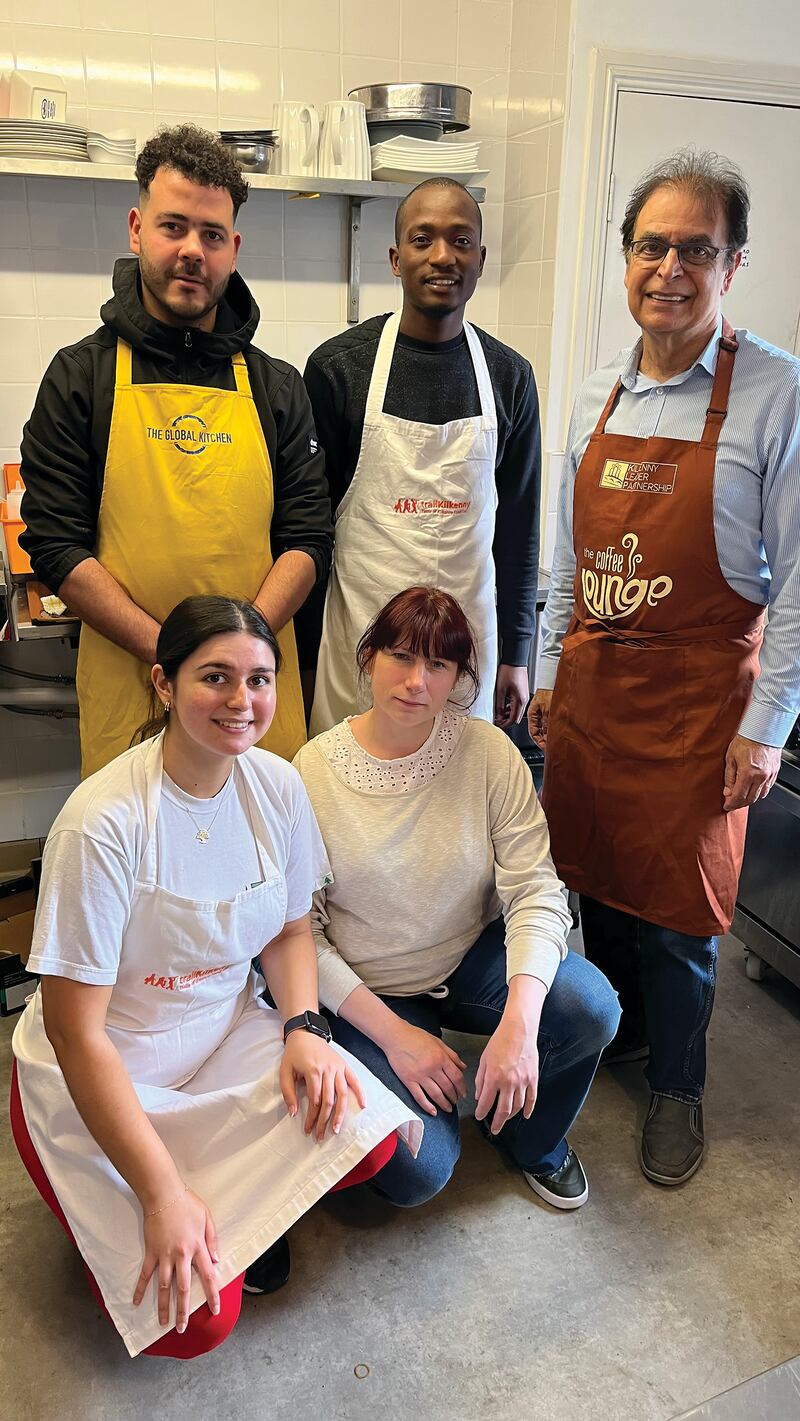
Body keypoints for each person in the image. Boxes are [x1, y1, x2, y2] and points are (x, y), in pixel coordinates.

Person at [11, 595, 420, 1359]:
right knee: (196, 1324)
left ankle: (226, 1208)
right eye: (216, 676)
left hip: (223, 1031)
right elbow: (75, 1033)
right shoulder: (102, 823)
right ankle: (138, 1200)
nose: (242, 700)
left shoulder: (277, 787)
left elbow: (291, 932)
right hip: (110, 1065)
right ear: (163, 683)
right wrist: (161, 1193)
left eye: (259, 679)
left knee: (362, 1132)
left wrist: (303, 1028)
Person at [528, 149, 800, 1187]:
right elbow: (567, 555)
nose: (669, 269)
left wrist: (765, 728)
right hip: (595, 686)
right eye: (652, 246)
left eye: (695, 249)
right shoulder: (596, 391)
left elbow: (796, 584)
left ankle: (678, 1084)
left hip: (699, 703)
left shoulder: (776, 393)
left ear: (732, 264)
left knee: (682, 916)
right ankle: (626, 1035)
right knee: (595, 879)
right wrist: (549, 669)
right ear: (626, 258)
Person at [294, 586, 620, 1211]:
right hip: (370, 987)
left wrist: (520, 1025)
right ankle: (370, 1085)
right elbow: (299, 934)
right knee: (419, 1172)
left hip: (468, 958)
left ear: (459, 676)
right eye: (400, 656)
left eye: (438, 664)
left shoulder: (488, 753)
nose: (416, 681)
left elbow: (536, 890)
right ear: (368, 657)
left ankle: (530, 1138)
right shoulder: (312, 771)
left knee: (589, 1007)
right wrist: (395, 1037)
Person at [19, 124, 331, 777]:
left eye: (212, 234)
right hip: (133, 682)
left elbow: (306, 539)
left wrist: (235, 660)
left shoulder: (276, 386)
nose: (192, 250)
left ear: (233, 249)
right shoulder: (81, 377)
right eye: (173, 227)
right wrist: (174, 655)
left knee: (258, 840)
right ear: (137, 230)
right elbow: (55, 544)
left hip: (252, 698)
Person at [302, 177, 542, 734]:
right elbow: (312, 531)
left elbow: (518, 530)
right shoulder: (339, 369)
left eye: (460, 241)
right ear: (395, 258)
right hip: (358, 649)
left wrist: (516, 654)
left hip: (465, 654)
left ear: (480, 259)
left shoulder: (509, 378)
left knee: (457, 782)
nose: (442, 256)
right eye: (422, 239)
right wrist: (304, 656)